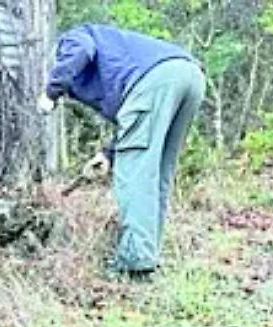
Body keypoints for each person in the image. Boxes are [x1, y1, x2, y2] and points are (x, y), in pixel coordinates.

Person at [38, 24, 205, 275]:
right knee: (158, 173)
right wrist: (108, 154)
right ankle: (147, 253)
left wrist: (51, 92)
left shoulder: (73, 39)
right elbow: (135, 124)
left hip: (157, 81)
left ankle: (135, 261)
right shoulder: (117, 57)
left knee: (135, 175)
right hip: (190, 77)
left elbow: (81, 50)